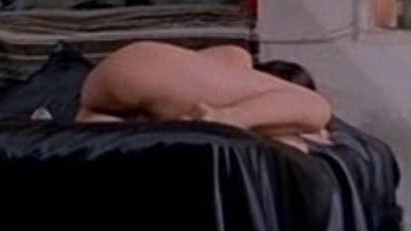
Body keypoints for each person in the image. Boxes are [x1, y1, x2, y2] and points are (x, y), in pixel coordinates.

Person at [76, 41, 332, 151]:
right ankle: (225, 119)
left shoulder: (213, 72)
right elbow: (306, 110)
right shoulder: (235, 64)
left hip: (103, 87)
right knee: (318, 108)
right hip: (140, 73)